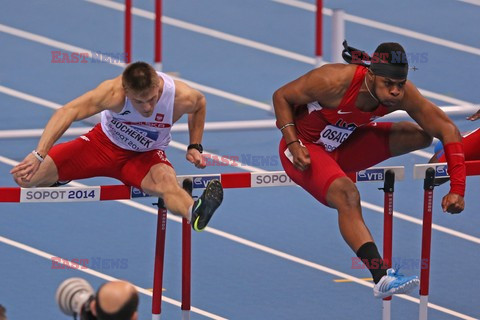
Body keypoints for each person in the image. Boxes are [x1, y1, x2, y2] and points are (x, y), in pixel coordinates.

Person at [273, 41, 466, 298]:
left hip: (343, 146)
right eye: (389, 84)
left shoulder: (402, 92)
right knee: (348, 195)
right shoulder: (333, 81)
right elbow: (281, 96)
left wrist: (457, 186)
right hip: (305, 149)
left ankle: (333, 170)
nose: (396, 92)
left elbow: (448, 129)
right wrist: (293, 142)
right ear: (371, 76)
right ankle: (381, 276)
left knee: (419, 136)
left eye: (400, 84)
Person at [10, 62, 223, 231]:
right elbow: (67, 112)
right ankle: (62, 176)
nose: (147, 107)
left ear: (158, 86)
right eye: (139, 102)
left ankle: (194, 213)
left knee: (168, 184)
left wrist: (195, 145)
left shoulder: (180, 97)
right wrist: (39, 154)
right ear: (126, 92)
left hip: (145, 156)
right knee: (24, 178)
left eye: (151, 99)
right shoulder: (112, 93)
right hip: (100, 146)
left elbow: (200, 105)